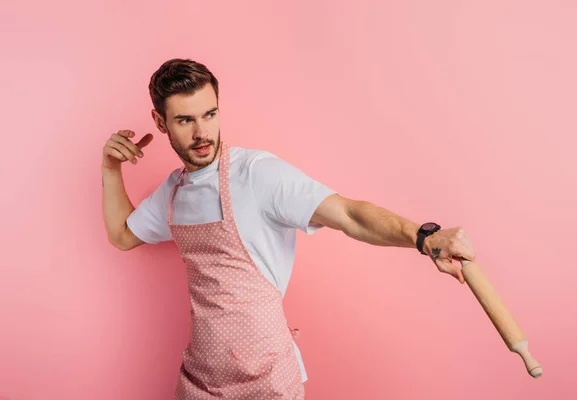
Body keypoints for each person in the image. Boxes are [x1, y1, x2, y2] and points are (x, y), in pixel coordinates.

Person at [101, 58, 477, 399]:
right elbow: (121, 234)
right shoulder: (172, 192)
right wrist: (110, 168)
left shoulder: (258, 175)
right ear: (159, 122)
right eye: (185, 120)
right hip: (200, 383)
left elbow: (349, 214)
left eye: (210, 114)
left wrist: (424, 236)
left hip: (267, 383)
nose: (202, 133)